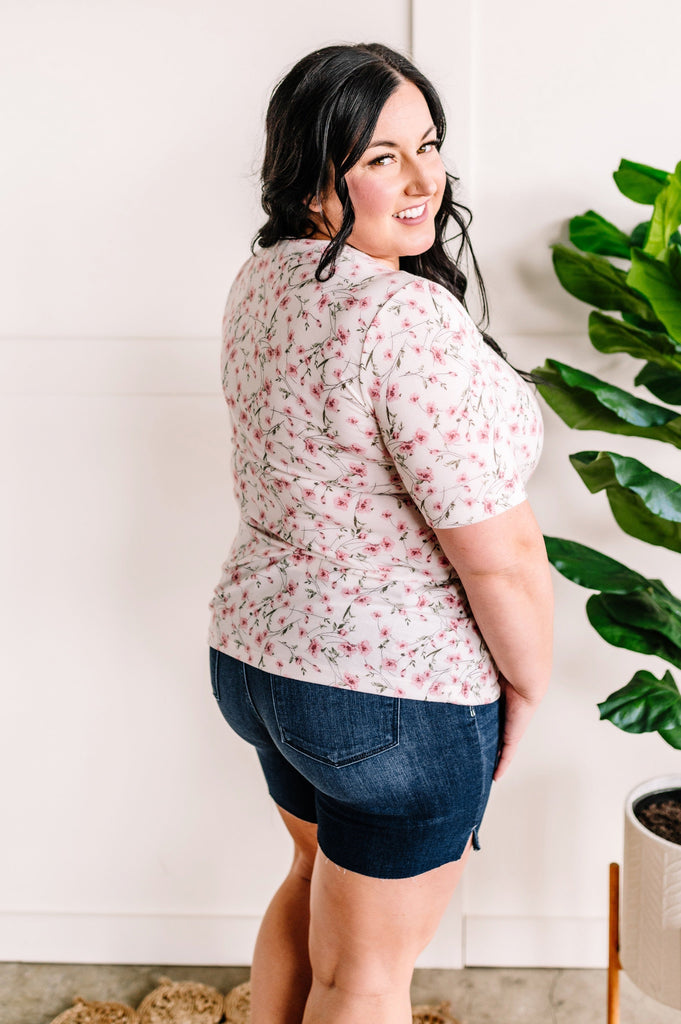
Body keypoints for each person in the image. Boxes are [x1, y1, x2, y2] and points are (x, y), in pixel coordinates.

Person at [208, 42, 553, 1024]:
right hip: (395, 700)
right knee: (365, 979)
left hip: (259, 663)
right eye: (379, 157)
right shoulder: (404, 317)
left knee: (309, 875)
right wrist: (527, 683)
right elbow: (500, 556)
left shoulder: (264, 281)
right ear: (312, 175)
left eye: (427, 146)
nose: (421, 180)